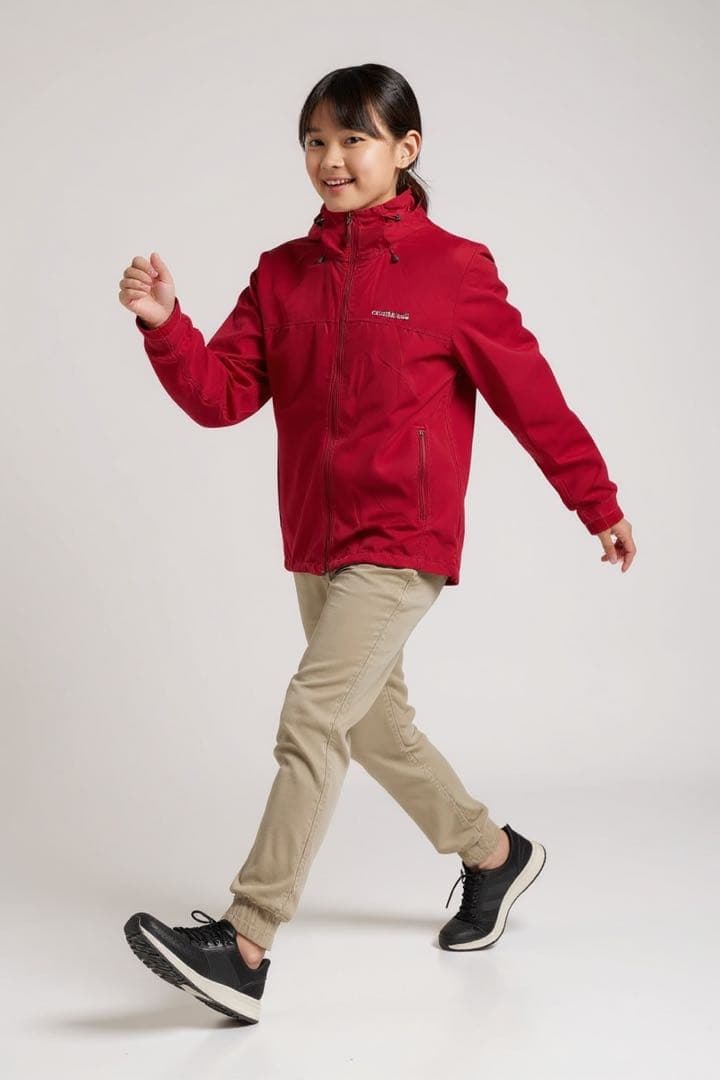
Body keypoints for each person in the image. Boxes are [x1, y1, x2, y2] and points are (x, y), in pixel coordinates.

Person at [118, 63, 637, 1025]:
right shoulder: (282, 272)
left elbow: (531, 396)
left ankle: (244, 942)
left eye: (353, 139)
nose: (332, 159)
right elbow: (221, 395)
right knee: (371, 726)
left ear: (406, 148)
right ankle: (494, 855)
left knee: (314, 716)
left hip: (402, 538)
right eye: (315, 141)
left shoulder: (454, 270)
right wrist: (164, 326)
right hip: (316, 541)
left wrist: (594, 500)